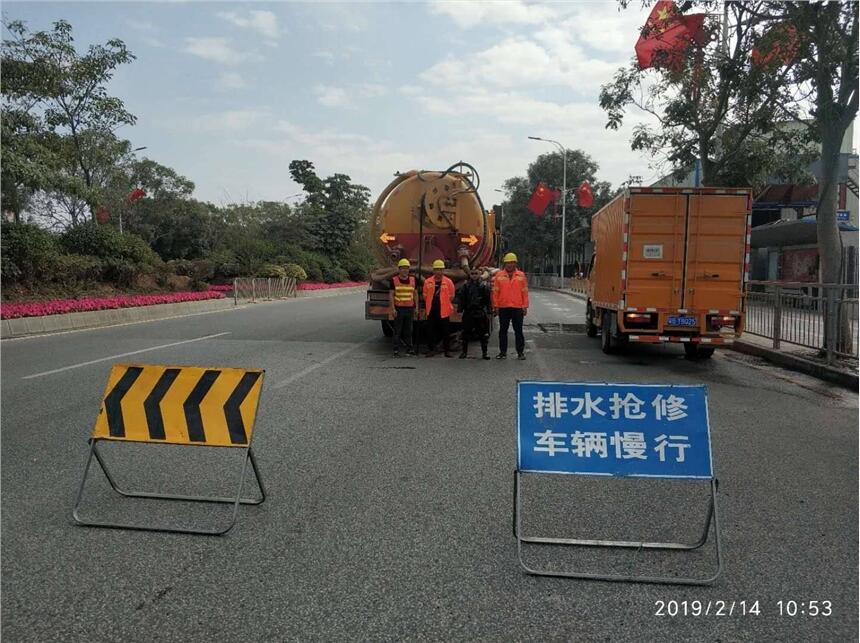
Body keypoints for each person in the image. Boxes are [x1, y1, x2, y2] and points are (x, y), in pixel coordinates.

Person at [492, 252, 529, 360]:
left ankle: (520, 353)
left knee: (518, 331)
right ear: (505, 263)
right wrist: (496, 306)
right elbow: (495, 292)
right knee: (503, 331)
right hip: (503, 307)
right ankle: (503, 352)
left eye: (512, 262)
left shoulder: (521, 275)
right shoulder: (499, 275)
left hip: (517, 308)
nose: (510, 265)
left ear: (515, 263)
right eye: (508, 263)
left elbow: (525, 292)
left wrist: (525, 306)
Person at [422, 259, 455, 357]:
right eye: (437, 269)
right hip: (431, 310)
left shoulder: (448, 282)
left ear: (443, 270)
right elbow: (425, 295)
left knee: (446, 331)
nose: (439, 272)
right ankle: (432, 349)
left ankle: (447, 350)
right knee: (431, 330)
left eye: (440, 269)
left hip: (444, 310)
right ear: (433, 271)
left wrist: (444, 302)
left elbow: (452, 295)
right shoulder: (428, 282)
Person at [457, 268, 491, 359]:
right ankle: (464, 352)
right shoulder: (465, 286)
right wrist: (460, 310)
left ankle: (485, 353)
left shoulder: (484, 286)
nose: (474, 275)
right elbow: (461, 299)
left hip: (480, 312)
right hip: (468, 312)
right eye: (472, 273)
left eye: (476, 273)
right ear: (470, 275)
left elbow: (488, 300)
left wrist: (489, 311)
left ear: (479, 274)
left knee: (483, 334)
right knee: (465, 333)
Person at [390, 258, 417, 357]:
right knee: (397, 330)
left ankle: (409, 349)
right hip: (399, 309)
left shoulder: (413, 280)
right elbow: (391, 295)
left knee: (409, 330)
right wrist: (392, 308)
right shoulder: (394, 280)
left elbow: (415, 294)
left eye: (406, 268)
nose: (405, 270)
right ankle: (396, 350)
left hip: (409, 309)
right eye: (403, 268)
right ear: (399, 269)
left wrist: (416, 307)